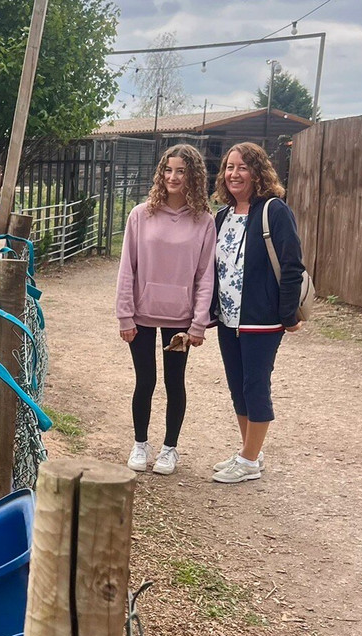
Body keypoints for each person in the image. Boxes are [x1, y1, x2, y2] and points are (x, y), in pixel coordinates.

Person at [115, 144, 216, 475]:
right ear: (161, 173)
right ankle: (140, 443)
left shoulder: (204, 221)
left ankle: (170, 449)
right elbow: (127, 269)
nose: (173, 177)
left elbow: (205, 275)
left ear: (193, 176)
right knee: (145, 380)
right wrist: (125, 315)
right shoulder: (140, 215)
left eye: (181, 171)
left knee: (176, 382)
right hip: (142, 316)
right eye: (168, 170)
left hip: (181, 321)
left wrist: (199, 323)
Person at [210, 141, 305, 483]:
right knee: (238, 386)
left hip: (262, 319)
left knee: (255, 386)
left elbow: (292, 264)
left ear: (258, 172)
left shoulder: (274, 211)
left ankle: (248, 461)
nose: (234, 174)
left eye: (243, 167)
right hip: (228, 317)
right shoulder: (221, 216)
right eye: (230, 167)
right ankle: (250, 452)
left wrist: (287, 315)